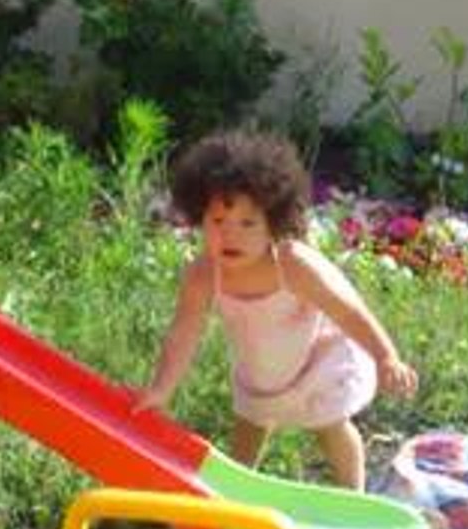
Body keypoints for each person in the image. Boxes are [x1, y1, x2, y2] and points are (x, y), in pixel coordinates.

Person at [133, 131, 418, 490]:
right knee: (249, 425)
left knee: (329, 425)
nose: (231, 235)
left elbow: (348, 311)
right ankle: (236, 492)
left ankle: (353, 493)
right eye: (218, 221)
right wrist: (161, 389)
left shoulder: (293, 264)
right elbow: (183, 333)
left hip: (318, 358)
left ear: (274, 222)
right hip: (262, 365)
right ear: (199, 218)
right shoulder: (203, 274)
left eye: (248, 223)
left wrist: (386, 356)